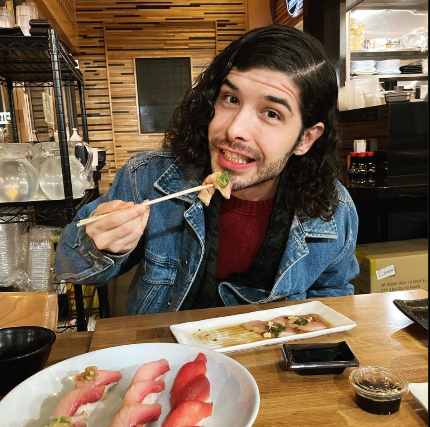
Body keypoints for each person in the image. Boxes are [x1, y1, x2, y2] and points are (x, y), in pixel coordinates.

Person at [55, 24, 359, 315]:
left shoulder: (332, 209)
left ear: (305, 138)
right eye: (231, 99)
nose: (235, 129)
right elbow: (68, 267)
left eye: (271, 113)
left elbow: (332, 294)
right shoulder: (149, 178)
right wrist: (99, 247)